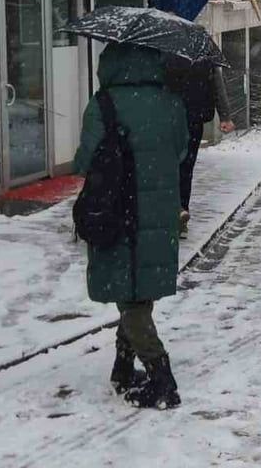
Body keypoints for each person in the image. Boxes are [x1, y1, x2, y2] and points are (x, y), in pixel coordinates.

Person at [74, 44, 188, 409]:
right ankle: (122, 367)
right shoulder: (170, 102)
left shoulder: (103, 104)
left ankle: (162, 379)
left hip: (117, 208)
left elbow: (84, 160)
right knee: (140, 290)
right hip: (158, 210)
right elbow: (182, 150)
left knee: (129, 294)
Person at [163, 56, 235, 238]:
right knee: (186, 166)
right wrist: (225, 115)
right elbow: (217, 85)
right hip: (194, 118)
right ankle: (181, 210)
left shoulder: (163, 49)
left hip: (168, 117)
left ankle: (172, 209)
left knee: (166, 165)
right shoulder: (201, 50)